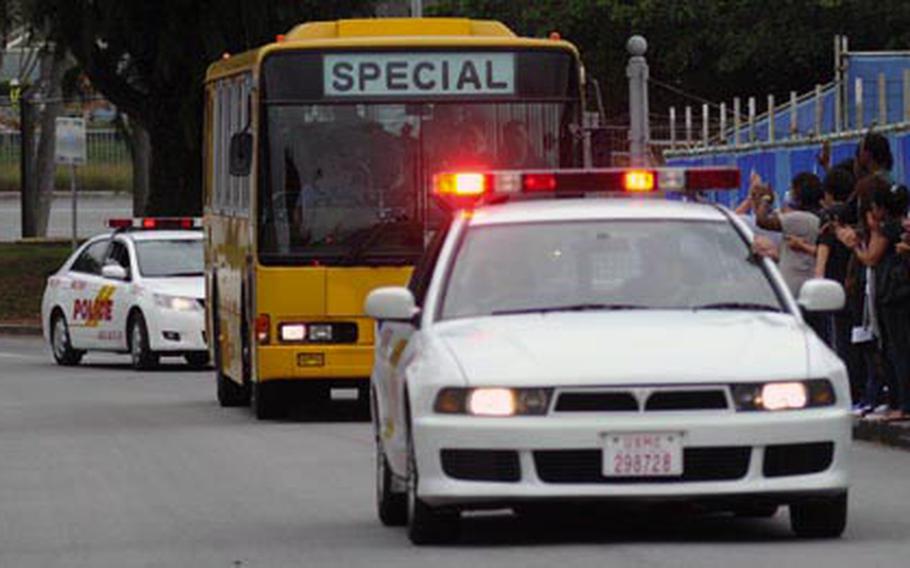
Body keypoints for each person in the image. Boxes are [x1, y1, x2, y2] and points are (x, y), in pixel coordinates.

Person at [837, 176, 910, 421]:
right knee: (893, 348)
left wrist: (854, 246)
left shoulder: (889, 229)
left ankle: (902, 404)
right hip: (893, 293)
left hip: (893, 294)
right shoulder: (896, 228)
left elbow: (870, 258)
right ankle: (899, 401)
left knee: (896, 349)